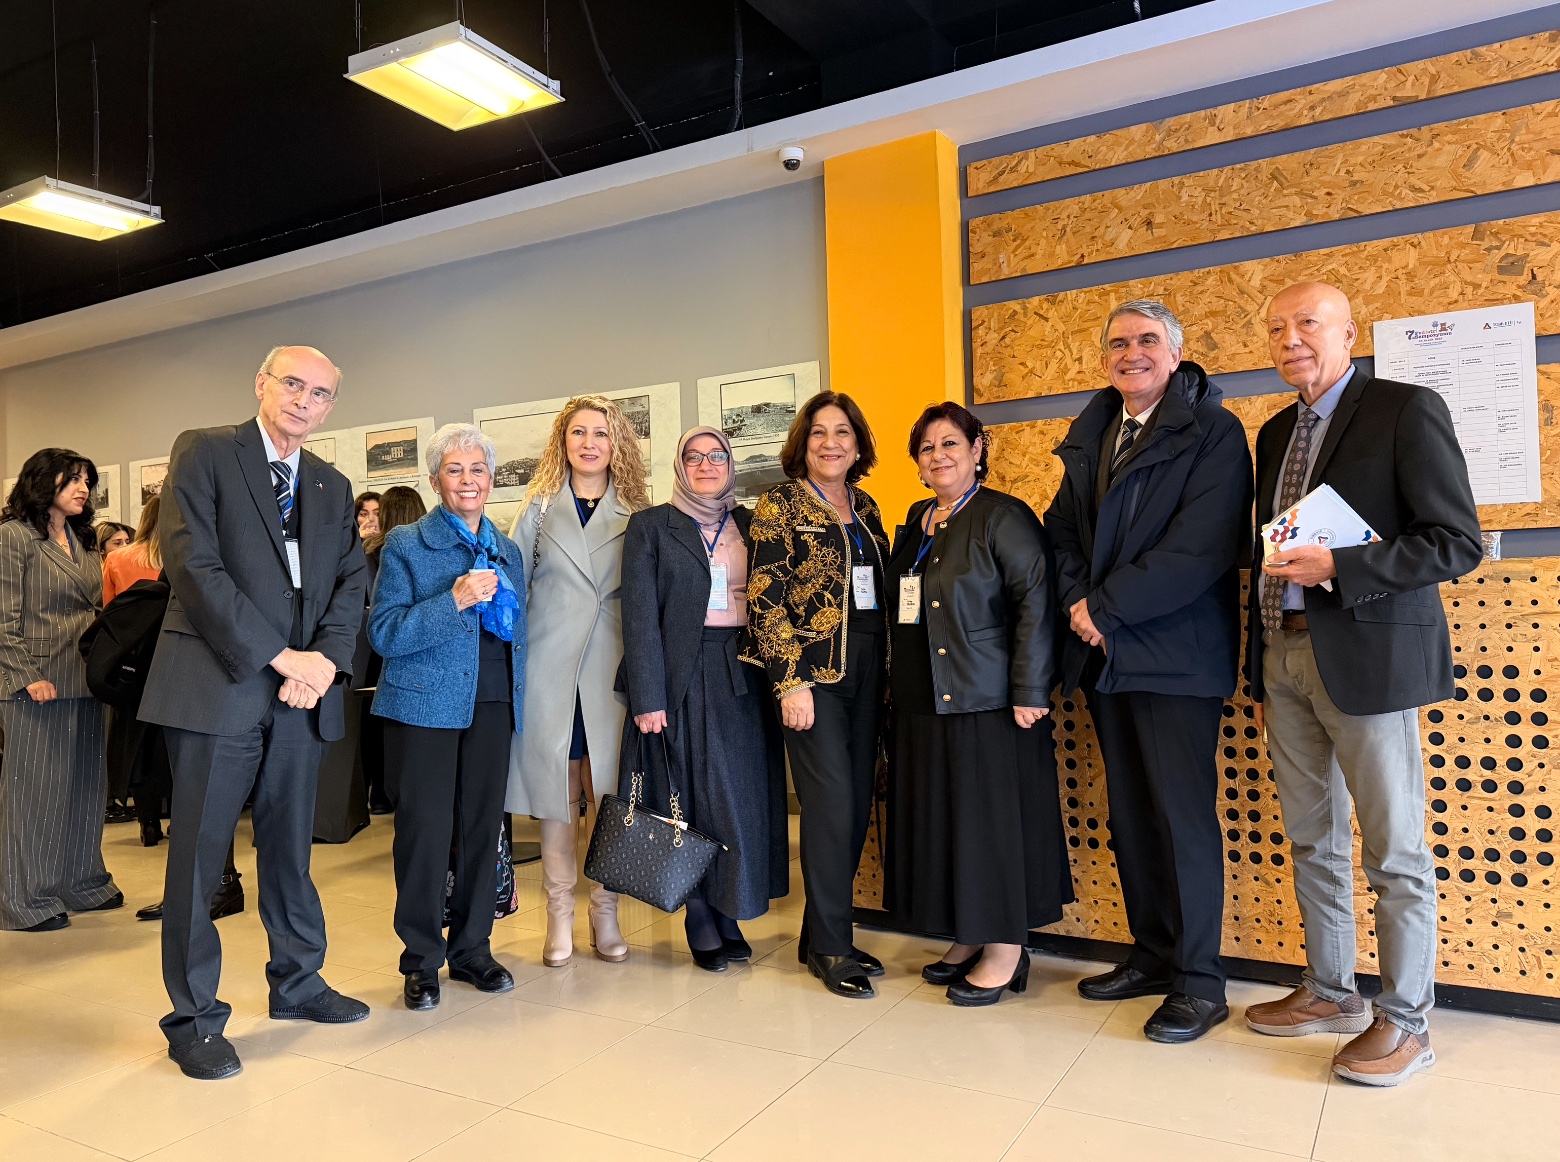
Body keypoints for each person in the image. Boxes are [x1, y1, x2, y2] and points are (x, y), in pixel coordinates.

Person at [1243, 282, 1482, 1086]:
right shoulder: (1275, 432)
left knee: (1394, 850)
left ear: (1349, 332)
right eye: (1277, 328)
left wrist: (1341, 567)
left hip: (1369, 659)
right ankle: (1330, 990)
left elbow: (1455, 541)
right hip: (1283, 654)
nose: (1290, 339)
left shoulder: (1405, 410)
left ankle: (1407, 1021)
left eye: (1308, 323)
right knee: (1312, 837)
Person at [139, 344, 370, 1082]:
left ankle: (298, 983)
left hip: (302, 697)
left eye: (321, 393)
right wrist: (281, 657)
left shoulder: (331, 484)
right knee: (200, 860)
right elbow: (193, 565)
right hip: (220, 686)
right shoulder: (206, 452)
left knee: (290, 850)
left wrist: (324, 660)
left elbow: (350, 581)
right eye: (293, 384)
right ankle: (194, 1020)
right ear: (262, 384)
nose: (305, 400)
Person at [1045, 300, 1253, 1044]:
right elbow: (1061, 530)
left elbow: (1201, 548)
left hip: (1176, 658)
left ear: (1174, 354)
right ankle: (1155, 955)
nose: (1130, 353)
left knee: (1181, 819)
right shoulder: (1096, 431)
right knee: (1131, 814)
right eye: (1118, 343)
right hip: (1107, 654)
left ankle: (1200, 981)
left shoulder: (1214, 432)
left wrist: (1105, 608)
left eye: (1147, 341)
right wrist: (1078, 602)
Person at [887, 403, 1071, 1006]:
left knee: (991, 828)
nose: (938, 456)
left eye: (950, 443)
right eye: (926, 448)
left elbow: (1035, 604)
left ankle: (1006, 949)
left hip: (988, 700)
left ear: (977, 449)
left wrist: (1030, 691)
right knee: (950, 825)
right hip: (925, 701)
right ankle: (969, 934)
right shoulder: (917, 520)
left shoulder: (1003, 516)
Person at [618, 426, 789, 972]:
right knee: (686, 797)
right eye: (694, 457)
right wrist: (649, 696)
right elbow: (639, 616)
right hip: (679, 674)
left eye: (717, 456)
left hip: (744, 671)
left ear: (731, 465)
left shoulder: (752, 523)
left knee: (736, 798)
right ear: (680, 466)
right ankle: (698, 914)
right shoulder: (651, 526)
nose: (707, 465)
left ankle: (729, 906)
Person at [371, 425, 526, 1011]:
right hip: (422, 706)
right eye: (455, 470)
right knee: (424, 834)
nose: (468, 480)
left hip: (492, 702)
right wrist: (453, 600)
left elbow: (519, 634)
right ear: (435, 481)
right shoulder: (406, 544)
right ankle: (420, 959)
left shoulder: (507, 549)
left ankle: (472, 949)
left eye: (478, 469)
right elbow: (384, 633)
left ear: (491, 479)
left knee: (483, 830)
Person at [748, 391, 889, 999]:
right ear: (802, 445)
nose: (831, 443)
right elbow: (765, 598)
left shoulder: (866, 506)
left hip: (870, 669)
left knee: (854, 804)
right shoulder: (779, 504)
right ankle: (833, 946)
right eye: (819, 433)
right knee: (830, 805)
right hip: (813, 677)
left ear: (858, 445)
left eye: (842, 432)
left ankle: (820, 933)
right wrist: (790, 681)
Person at [507, 395, 648, 968]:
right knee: (556, 798)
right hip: (550, 672)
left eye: (601, 433)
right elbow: (513, 592)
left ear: (618, 444)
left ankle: (605, 912)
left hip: (611, 672)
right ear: (562, 442)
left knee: (608, 794)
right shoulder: (537, 511)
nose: (590, 443)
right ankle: (559, 915)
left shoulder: (638, 512)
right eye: (578, 433)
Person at [0, 450, 122, 930]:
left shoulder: (83, 537)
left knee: (87, 789)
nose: (83, 488)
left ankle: (82, 882)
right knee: (35, 796)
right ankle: (24, 899)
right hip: (35, 683)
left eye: (87, 480)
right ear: (40, 482)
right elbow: (3, 619)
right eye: (72, 479)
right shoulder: (13, 537)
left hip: (87, 678)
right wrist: (26, 674)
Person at [101, 495, 176, 847]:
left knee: (138, 743)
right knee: (176, 742)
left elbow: (109, 612)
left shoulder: (116, 559)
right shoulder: (181, 556)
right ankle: (180, 818)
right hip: (174, 656)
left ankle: (148, 824)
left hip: (133, 661)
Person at [356, 485, 427, 815]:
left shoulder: (372, 551)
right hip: (419, 645)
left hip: (377, 651)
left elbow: (371, 601)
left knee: (378, 724)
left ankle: (382, 795)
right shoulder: (427, 550)